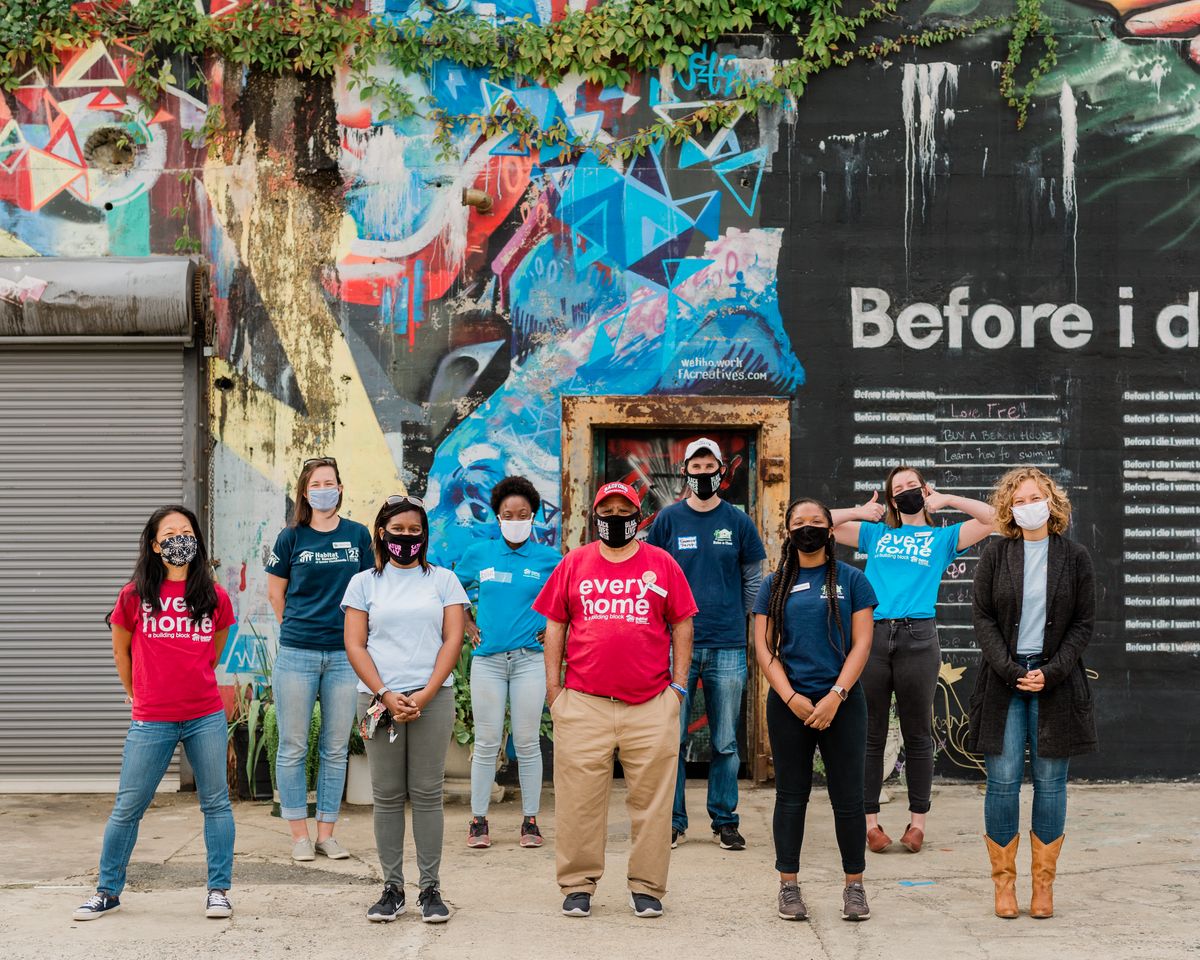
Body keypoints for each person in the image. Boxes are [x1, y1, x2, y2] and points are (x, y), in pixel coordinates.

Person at [534, 481, 697, 920]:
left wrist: (678, 688)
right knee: (578, 802)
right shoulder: (575, 563)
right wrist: (555, 692)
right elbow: (555, 625)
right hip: (584, 703)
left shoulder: (661, 564)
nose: (615, 516)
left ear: (637, 515)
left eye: (625, 509)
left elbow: (682, 623)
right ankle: (578, 884)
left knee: (653, 803)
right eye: (607, 509)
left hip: (650, 704)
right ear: (596, 516)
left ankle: (646, 887)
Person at [74, 506, 237, 921]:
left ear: (197, 541)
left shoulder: (214, 596)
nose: (179, 539)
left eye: (187, 532)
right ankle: (107, 891)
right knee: (129, 806)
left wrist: (192, 679)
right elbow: (120, 650)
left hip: (205, 715)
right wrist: (138, 694)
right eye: (170, 533)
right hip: (152, 718)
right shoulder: (134, 595)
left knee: (216, 803)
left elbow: (215, 649)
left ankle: (218, 890)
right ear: (154, 543)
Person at [832, 466, 995, 854]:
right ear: (890, 499)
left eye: (912, 486)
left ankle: (917, 823)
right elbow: (814, 523)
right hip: (873, 634)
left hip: (919, 637)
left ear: (924, 490)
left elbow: (995, 519)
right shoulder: (877, 534)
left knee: (918, 733)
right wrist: (860, 511)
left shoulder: (943, 537)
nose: (906, 492)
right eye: (898, 489)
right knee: (871, 733)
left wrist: (949, 500)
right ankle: (870, 823)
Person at [969, 468, 1096, 919]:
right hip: (1004, 682)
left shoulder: (1075, 557)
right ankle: (1004, 888)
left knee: (1051, 784)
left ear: (1052, 502)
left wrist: (1053, 671)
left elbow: (1083, 624)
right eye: (1019, 500)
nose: (1028, 505)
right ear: (1009, 509)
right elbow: (982, 618)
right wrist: (1008, 668)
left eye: (1035, 497)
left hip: (1055, 684)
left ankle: (1043, 887)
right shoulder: (996, 555)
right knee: (1002, 783)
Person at [342, 495, 467, 924]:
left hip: (432, 698)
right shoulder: (363, 583)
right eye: (398, 530)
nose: (406, 538)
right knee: (387, 796)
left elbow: (453, 639)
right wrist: (383, 693)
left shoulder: (444, 580)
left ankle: (430, 889)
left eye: (415, 531)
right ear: (382, 532)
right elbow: (355, 644)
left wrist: (427, 693)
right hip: (379, 700)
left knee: (429, 795)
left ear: (424, 535)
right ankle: (392, 887)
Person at [753, 498, 877, 922]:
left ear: (830, 530)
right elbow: (763, 647)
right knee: (790, 797)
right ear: (788, 532)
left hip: (842, 702)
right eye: (799, 523)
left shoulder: (853, 580)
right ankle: (788, 886)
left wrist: (836, 695)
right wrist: (790, 697)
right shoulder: (773, 584)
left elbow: (861, 643)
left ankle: (854, 887)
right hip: (790, 703)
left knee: (849, 798)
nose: (808, 528)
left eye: (817, 522)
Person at [645, 437, 765, 851]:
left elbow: (753, 578)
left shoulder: (738, 522)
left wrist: (740, 617)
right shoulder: (668, 521)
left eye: (708, 468)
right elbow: (651, 576)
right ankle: (674, 821)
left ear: (720, 473)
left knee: (726, 740)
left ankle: (724, 820)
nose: (702, 475)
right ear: (685, 473)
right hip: (675, 647)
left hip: (728, 644)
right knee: (671, 739)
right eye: (694, 469)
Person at [265, 457, 373, 861]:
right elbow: (277, 594)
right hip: (298, 653)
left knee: (334, 747)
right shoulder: (290, 538)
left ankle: (326, 833)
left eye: (330, 482)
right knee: (293, 746)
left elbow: (367, 593)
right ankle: (298, 836)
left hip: (346, 656)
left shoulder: (358, 535)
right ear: (305, 492)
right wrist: (298, 627)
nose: (324, 489)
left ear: (340, 489)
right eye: (316, 483)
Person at [454, 475, 561, 849]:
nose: (515, 519)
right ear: (497, 517)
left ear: (533, 517)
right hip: (488, 663)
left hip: (530, 662)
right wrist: (466, 621)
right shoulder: (479, 554)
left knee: (528, 741)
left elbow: (569, 602)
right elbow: (451, 590)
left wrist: (553, 628)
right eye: (508, 514)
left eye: (523, 514)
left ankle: (530, 821)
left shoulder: (550, 559)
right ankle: (479, 820)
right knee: (485, 742)